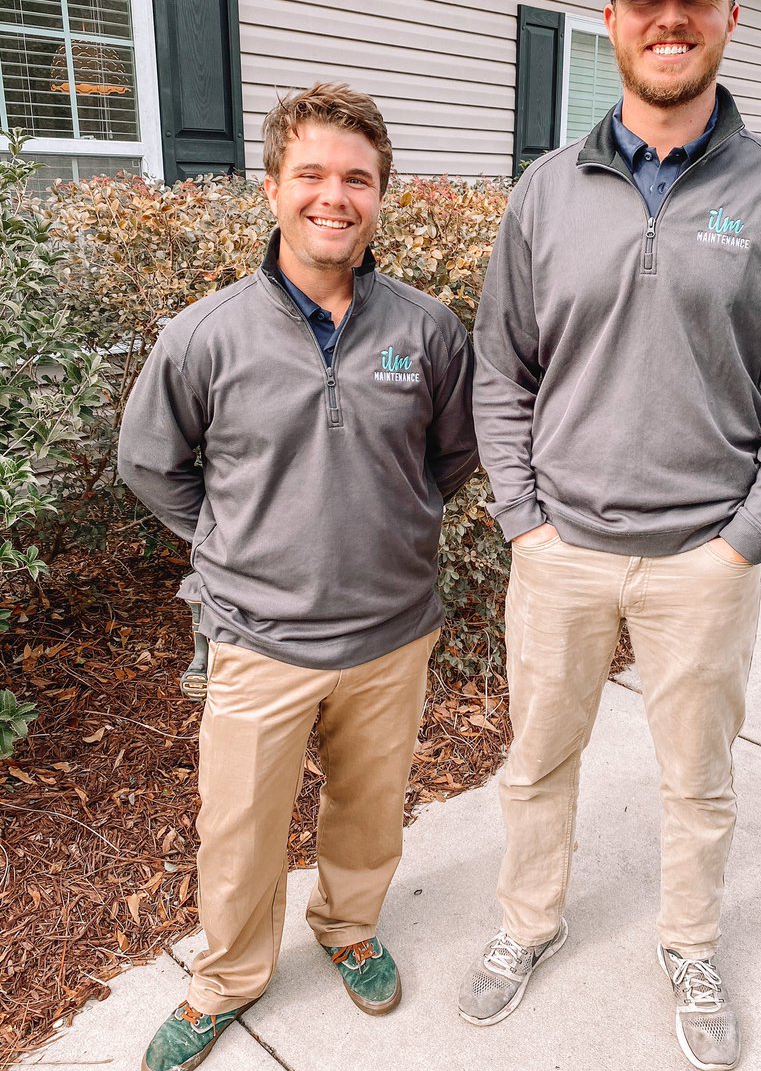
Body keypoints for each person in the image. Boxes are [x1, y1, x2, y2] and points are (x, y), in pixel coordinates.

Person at [459, 0, 761, 1071]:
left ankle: (689, 943)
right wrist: (523, 521)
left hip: (703, 563)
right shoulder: (545, 190)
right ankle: (527, 923)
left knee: (698, 779)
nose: (668, 19)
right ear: (614, 20)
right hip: (561, 549)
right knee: (536, 762)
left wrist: (746, 542)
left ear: (729, 15)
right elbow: (499, 370)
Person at [119, 82, 477, 1071]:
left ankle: (348, 926)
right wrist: (237, 541)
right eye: (311, 174)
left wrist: (388, 529)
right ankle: (229, 977)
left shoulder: (430, 332)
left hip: (391, 632)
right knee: (236, 829)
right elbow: (150, 462)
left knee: (369, 808)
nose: (334, 196)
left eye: (356, 178)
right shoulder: (205, 334)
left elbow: (451, 459)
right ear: (273, 189)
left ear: (379, 195)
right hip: (255, 638)